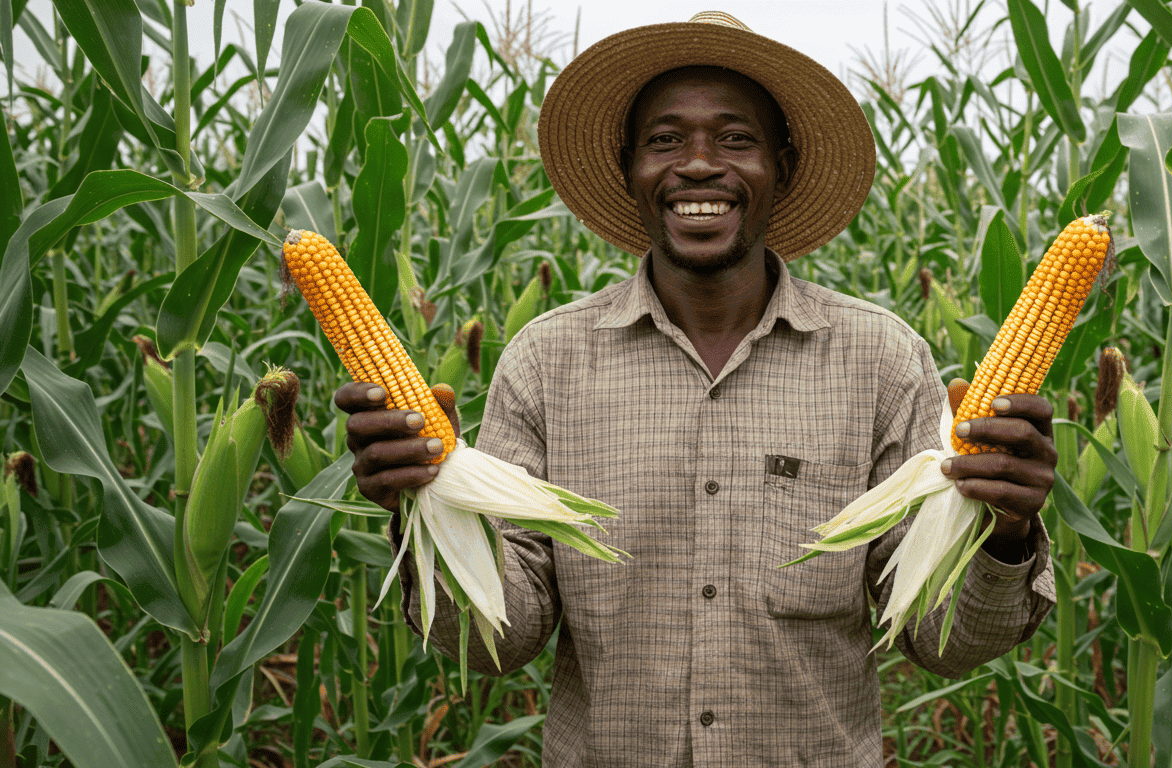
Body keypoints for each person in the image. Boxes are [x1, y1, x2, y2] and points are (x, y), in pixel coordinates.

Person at [338, 12, 1056, 766]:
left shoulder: (881, 360)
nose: (700, 165)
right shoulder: (545, 363)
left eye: (737, 139)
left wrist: (1004, 530)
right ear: (629, 169)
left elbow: (943, 642)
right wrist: (432, 507)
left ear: (782, 166)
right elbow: (502, 641)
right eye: (665, 140)